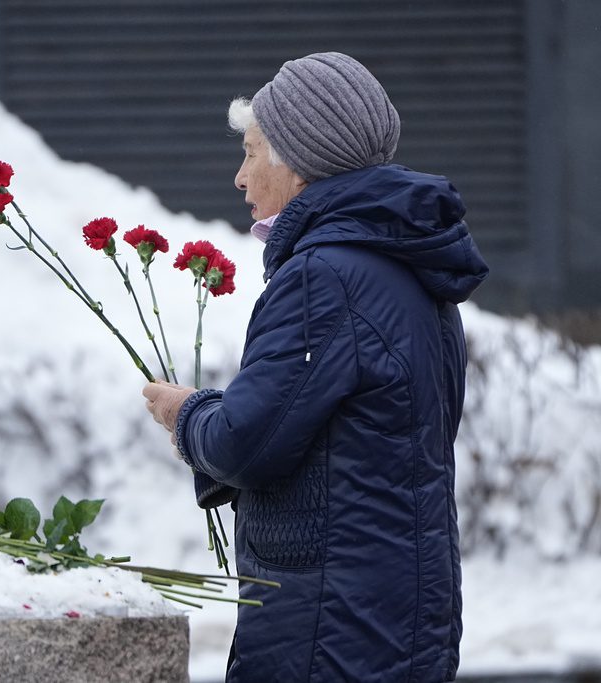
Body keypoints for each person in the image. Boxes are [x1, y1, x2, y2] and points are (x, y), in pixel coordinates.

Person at [142, 52, 488, 682]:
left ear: (297, 161)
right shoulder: (406, 267)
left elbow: (247, 444)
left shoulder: (323, 277)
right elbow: (350, 439)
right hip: (397, 612)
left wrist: (186, 413)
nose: (240, 178)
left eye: (251, 152)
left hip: (329, 629)